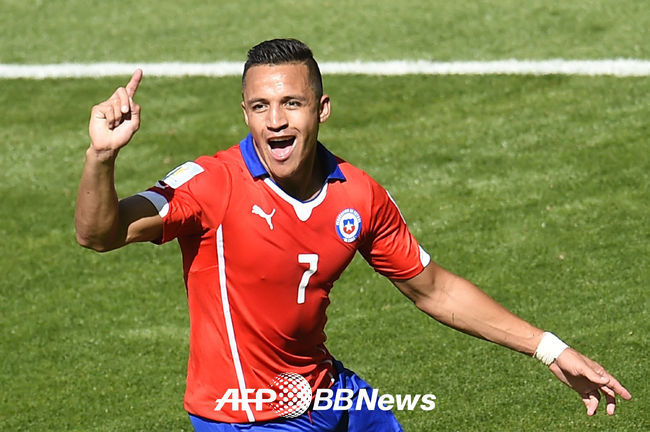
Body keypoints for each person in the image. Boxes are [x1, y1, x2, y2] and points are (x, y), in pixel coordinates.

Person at [75, 39, 631, 431]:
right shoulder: (211, 183)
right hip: (245, 415)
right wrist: (101, 157)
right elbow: (100, 233)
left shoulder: (357, 194)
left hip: (327, 392)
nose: (275, 121)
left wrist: (549, 349)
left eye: (291, 104)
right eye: (261, 106)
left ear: (321, 110)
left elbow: (432, 288)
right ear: (245, 113)